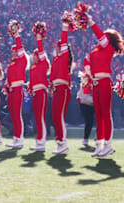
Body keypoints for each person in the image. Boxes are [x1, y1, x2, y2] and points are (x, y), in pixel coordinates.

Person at [84, 13, 124, 157]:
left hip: (105, 82)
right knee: (99, 115)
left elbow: (100, 34)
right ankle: (99, 145)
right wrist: (87, 71)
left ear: (108, 39)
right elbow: (86, 59)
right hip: (95, 84)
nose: (101, 38)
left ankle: (108, 145)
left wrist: (90, 21)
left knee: (106, 114)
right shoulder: (97, 49)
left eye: (105, 37)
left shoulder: (108, 47)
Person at [49, 18, 74, 153]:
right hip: (57, 89)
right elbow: (52, 76)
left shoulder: (64, 58)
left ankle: (63, 143)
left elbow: (64, 41)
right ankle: (60, 143)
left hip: (63, 89)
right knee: (55, 117)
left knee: (59, 116)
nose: (56, 48)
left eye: (58, 47)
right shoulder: (57, 60)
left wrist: (65, 27)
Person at [4, 21, 28, 149]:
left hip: (18, 89)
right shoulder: (12, 64)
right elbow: (8, 78)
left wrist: (17, 35)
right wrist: (6, 86)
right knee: (13, 114)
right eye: (12, 52)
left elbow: (19, 47)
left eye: (15, 52)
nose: (14, 53)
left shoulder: (22, 61)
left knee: (17, 115)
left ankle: (20, 139)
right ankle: (16, 138)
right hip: (12, 90)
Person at [28, 23, 51, 152]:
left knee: (40, 116)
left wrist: (38, 38)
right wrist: (30, 88)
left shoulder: (44, 63)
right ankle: (39, 141)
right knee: (36, 117)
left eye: (35, 55)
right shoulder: (33, 66)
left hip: (42, 92)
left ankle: (42, 141)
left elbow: (41, 50)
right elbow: (31, 80)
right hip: (35, 93)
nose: (34, 56)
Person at [77, 56, 95, 145]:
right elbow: (85, 96)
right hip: (86, 102)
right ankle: (86, 138)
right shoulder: (86, 77)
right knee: (89, 122)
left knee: (100, 120)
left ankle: (100, 137)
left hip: (92, 101)